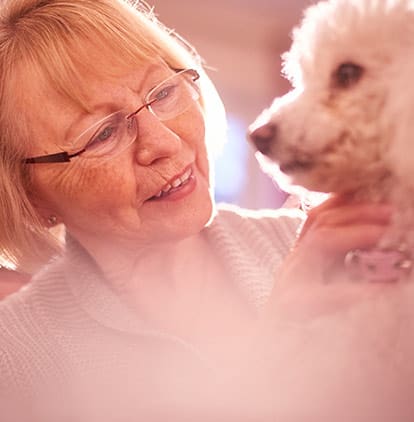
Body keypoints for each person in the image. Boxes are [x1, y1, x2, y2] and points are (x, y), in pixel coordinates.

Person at [0, 0, 395, 420]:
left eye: (164, 92)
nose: (164, 142)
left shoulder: (329, 246)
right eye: (102, 134)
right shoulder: (15, 358)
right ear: (29, 194)